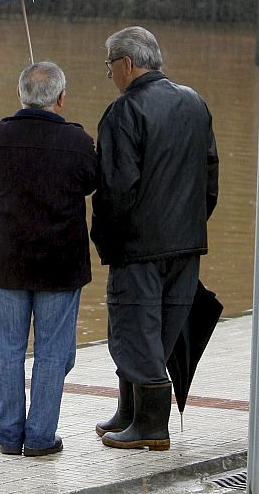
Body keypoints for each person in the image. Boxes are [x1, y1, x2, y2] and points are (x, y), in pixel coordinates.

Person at [91, 26, 218, 451]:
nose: (109, 74)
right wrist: (191, 223)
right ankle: (129, 412)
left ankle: (150, 426)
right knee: (160, 329)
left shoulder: (123, 111)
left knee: (133, 329)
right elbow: (210, 176)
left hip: (139, 246)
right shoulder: (194, 102)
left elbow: (115, 190)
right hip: (186, 242)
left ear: (127, 64)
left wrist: (107, 243)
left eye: (109, 65)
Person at [0, 61, 97, 457]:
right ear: (61, 99)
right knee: (52, 350)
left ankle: (7, 436)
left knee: (5, 348)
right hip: (59, 265)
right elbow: (92, 182)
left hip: (9, 263)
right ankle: (41, 436)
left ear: (19, 95)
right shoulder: (78, 143)